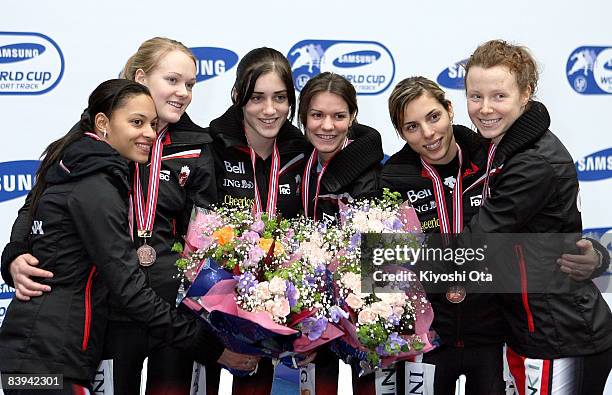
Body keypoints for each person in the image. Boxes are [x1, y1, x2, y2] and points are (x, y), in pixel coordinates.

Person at [0, 37, 255, 395]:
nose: (183, 92)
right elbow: (38, 201)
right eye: (172, 80)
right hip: (106, 313)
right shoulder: (95, 137)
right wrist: (13, 255)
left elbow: (207, 233)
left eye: (191, 84)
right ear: (140, 77)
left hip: (171, 313)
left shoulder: (199, 145)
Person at [380, 75, 610, 394]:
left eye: (434, 117)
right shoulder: (393, 179)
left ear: (450, 110)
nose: (429, 133)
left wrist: (597, 256)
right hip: (429, 340)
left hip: (496, 337)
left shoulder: (491, 157)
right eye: (412, 127)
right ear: (401, 133)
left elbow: (541, 224)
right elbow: (384, 267)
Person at [461, 39, 612, 395]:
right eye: (475, 96)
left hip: (561, 335)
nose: (485, 108)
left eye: (499, 96)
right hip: (531, 331)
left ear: (526, 94)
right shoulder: (501, 146)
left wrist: (384, 262)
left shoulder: (532, 161)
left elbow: (474, 245)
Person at [206, 47, 310, 395]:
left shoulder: (304, 150)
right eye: (257, 98)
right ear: (238, 97)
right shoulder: (212, 146)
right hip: (217, 316)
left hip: (288, 307)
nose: (270, 110)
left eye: (280, 98)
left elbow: (358, 134)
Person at [296, 71, 383, 395]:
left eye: (339, 116)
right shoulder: (294, 160)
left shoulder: (371, 170)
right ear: (303, 117)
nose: (327, 126)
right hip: (304, 305)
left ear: (353, 118)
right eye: (317, 115)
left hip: (358, 302)